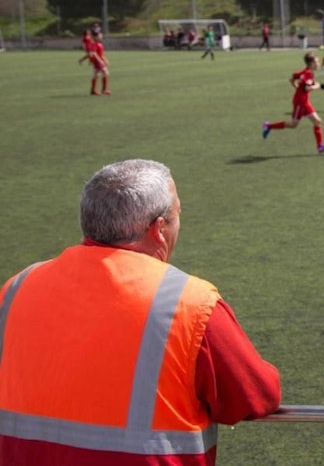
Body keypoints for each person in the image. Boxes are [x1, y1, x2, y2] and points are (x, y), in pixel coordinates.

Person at [0, 159, 282, 465]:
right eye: (177, 215)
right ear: (159, 229)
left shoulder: (17, 287)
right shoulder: (189, 303)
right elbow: (256, 396)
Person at [262, 52, 324, 153]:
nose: (318, 63)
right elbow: (307, 88)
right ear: (311, 63)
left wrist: (297, 87)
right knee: (293, 124)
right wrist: (317, 86)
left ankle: (320, 146)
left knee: (317, 121)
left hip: (304, 101)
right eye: (317, 61)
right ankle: (268, 126)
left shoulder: (304, 72)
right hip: (300, 102)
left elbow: (292, 79)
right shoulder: (308, 73)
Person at [88, 31, 111, 96]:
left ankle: (100, 89)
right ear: (95, 37)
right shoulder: (94, 44)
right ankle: (97, 90)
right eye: (99, 36)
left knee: (102, 74)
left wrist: (105, 59)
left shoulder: (100, 44)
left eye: (101, 35)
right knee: (100, 74)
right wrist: (100, 60)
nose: (101, 36)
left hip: (100, 61)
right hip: (97, 61)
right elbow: (94, 53)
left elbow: (102, 54)